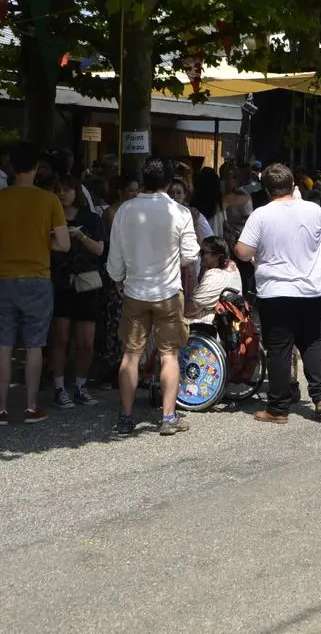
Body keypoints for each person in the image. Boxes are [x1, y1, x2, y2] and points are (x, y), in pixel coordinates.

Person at [235, 164, 321, 424]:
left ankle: (278, 408)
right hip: (312, 288)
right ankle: (320, 396)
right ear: (293, 185)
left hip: (276, 290)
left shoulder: (261, 215)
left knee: (279, 348)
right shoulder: (313, 209)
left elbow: (243, 251)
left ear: (267, 190)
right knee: (311, 341)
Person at [106, 157, 200, 436]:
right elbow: (191, 255)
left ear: (143, 179)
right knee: (169, 354)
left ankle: (125, 416)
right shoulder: (180, 212)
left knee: (131, 354)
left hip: (134, 290)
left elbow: (115, 256)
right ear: (170, 182)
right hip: (169, 292)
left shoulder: (125, 210)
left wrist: (118, 279)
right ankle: (168, 417)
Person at [0, 142, 69, 425]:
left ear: (11, 166)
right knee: (35, 345)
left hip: (4, 278)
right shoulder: (50, 201)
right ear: (35, 168)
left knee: (4, 344)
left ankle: (1, 408)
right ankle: (31, 406)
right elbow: (64, 244)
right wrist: (43, 242)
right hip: (38, 278)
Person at [49, 175, 106, 409]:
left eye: (68, 189)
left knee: (86, 342)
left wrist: (81, 236)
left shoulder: (91, 219)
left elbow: (100, 250)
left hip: (87, 283)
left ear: (77, 192)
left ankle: (81, 386)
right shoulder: (51, 216)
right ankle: (59, 388)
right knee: (60, 339)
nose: (63, 193)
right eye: (59, 189)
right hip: (60, 282)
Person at [185, 236, 243, 324]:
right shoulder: (232, 266)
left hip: (213, 327)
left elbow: (191, 308)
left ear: (217, 256)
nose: (200, 256)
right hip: (228, 321)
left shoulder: (215, 276)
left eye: (203, 252)